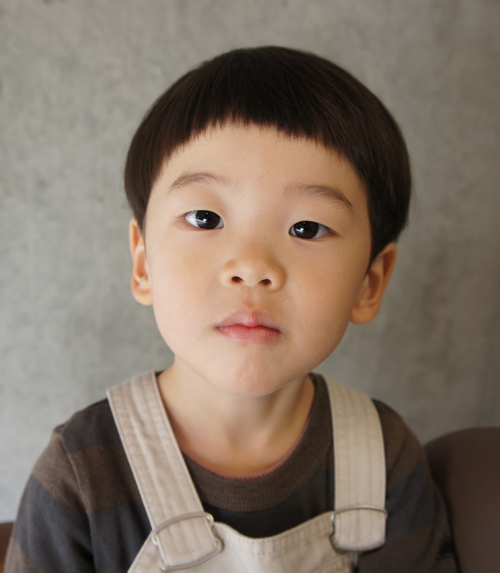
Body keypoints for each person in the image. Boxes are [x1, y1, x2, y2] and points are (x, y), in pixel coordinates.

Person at [6, 47, 456, 572]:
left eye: (307, 228)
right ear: (144, 263)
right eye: (205, 218)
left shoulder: (384, 458)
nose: (252, 266)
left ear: (369, 283)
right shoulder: (81, 472)